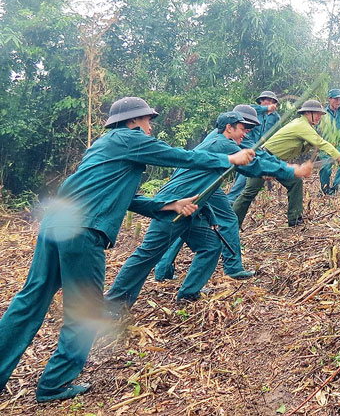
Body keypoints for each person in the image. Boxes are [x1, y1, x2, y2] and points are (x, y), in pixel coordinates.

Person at [0, 97, 255, 403]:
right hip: (83, 231)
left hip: (56, 224)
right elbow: (181, 157)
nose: (150, 127)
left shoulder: (104, 146)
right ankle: (54, 384)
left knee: (31, 298)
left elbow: (128, 198)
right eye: (148, 121)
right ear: (134, 121)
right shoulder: (130, 138)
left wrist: (169, 205)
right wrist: (228, 160)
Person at [105, 111, 311, 310]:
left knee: (211, 245)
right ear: (228, 128)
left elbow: (207, 188)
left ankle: (188, 294)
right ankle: (114, 304)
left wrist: (209, 215)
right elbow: (254, 164)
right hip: (173, 205)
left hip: (193, 208)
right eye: (242, 129)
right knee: (147, 255)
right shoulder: (221, 144)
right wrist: (292, 170)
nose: (245, 133)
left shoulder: (217, 143)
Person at [155, 105, 263, 281]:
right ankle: (233, 267)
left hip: (196, 181)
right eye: (246, 127)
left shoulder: (219, 134)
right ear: (232, 125)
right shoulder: (227, 139)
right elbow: (254, 156)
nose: (247, 131)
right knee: (227, 219)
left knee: (182, 224)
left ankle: (163, 270)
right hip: (201, 183)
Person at [232, 99, 340, 227]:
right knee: (249, 193)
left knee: (295, 182)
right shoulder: (302, 126)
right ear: (307, 113)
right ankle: (232, 223)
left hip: (276, 161)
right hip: (265, 159)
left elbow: (310, 144)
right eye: (316, 114)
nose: (319, 118)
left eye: (320, 115)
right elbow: (321, 143)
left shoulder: (304, 126)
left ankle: (295, 219)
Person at [226, 91, 280, 202]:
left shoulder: (276, 118)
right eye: (267, 100)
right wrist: (266, 109)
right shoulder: (253, 111)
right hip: (246, 145)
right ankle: (232, 200)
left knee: (251, 175)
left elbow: (277, 132)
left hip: (261, 149)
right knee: (242, 176)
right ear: (261, 100)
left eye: (272, 101)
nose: (269, 103)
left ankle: (240, 199)